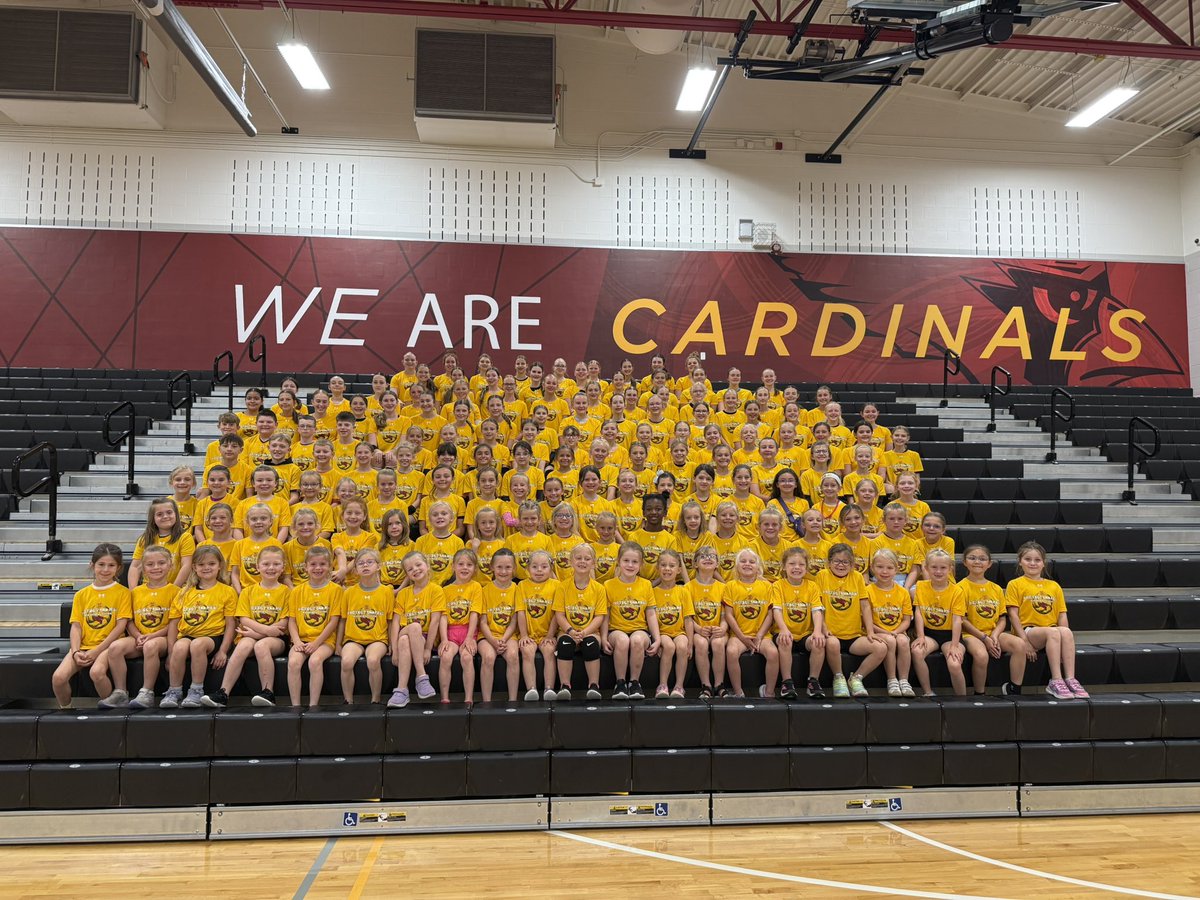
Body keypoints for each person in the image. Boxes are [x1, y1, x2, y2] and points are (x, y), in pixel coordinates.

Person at [201, 545, 290, 707]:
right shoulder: (248, 592)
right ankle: (223, 693)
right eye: (266, 564)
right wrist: (265, 630)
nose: (271, 568)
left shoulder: (287, 592)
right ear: (257, 567)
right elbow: (244, 619)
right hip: (251, 634)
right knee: (243, 645)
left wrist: (258, 634)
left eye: (276, 564)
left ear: (283, 567)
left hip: (276, 640)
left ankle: (268, 692)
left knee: (261, 646)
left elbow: (282, 626)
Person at [1005, 541, 1089, 699]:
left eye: (1037, 560)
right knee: (1053, 632)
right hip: (1028, 631)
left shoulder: (1054, 586)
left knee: (1066, 631)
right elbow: (1013, 615)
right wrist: (1024, 641)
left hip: (1051, 632)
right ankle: (1055, 681)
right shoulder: (1015, 584)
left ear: (1043, 563)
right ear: (1020, 562)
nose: (1032, 563)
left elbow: (1062, 615)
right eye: (1028, 559)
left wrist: (1065, 640)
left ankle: (1070, 679)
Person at [53, 543, 132, 709]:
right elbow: (76, 626)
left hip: (106, 646)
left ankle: (112, 708)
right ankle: (66, 712)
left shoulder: (123, 592)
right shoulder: (81, 595)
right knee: (58, 678)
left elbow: (120, 627)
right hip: (82, 647)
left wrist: (97, 650)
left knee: (96, 672)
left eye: (111, 565)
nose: (105, 570)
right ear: (92, 565)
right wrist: (75, 652)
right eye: (101, 565)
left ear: (118, 568)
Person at [160, 546, 238, 709]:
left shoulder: (227, 591)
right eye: (201, 564)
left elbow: (231, 624)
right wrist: (170, 652)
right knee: (179, 647)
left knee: (198, 645)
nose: (206, 568)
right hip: (187, 634)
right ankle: (174, 690)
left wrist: (223, 650)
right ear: (194, 567)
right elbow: (174, 624)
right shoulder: (184, 592)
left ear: (219, 566)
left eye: (211, 563)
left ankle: (196, 689)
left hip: (212, 636)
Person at [106, 545, 176, 709]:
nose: (156, 567)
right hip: (139, 637)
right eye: (150, 564)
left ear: (170, 565)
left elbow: (174, 624)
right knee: (115, 647)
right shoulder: (135, 592)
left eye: (161, 563)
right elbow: (129, 621)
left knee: (150, 646)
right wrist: (137, 635)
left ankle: (147, 692)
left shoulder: (176, 591)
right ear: (143, 568)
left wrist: (151, 637)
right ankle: (120, 692)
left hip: (163, 638)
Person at [816, 543, 886, 698]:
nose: (841, 565)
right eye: (836, 561)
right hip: (832, 634)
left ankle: (856, 678)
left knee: (880, 648)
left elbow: (865, 606)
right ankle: (839, 677)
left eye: (845, 562)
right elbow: (817, 606)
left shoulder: (857, 577)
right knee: (833, 643)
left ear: (852, 564)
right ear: (829, 563)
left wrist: (870, 632)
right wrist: (823, 627)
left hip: (853, 635)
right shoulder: (822, 575)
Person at [959, 544, 1026, 696]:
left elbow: (1002, 618)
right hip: (969, 634)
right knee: (981, 655)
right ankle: (979, 694)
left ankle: (1014, 689)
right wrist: (984, 638)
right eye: (972, 558)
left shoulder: (996, 588)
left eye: (982, 559)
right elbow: (962, 620)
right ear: (964, 562)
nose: (977, 561)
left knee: (1020, 644)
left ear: (989, 564)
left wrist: (994, 636)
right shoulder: (960, 588)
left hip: (992, 632)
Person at [286, 545, 343, 708]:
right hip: (301, 639)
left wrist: (316, 643)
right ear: (305, 567)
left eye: (322, 564)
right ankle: (295, 706)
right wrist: (296, 642)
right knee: (293, 663)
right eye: (313, 564)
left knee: (315, 661)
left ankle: (313, 706)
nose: (318, 568)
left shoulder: (335, 590)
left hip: (324, 641)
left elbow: (333, 621)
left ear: (331, 566)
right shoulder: (297, 591)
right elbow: (292, 621)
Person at [603, 542, 660, 700]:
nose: (630, 565)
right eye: (626, 561)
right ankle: (620, 683)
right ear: (618, 561)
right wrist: (603, 637)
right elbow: (605, 615)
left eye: (635, 562)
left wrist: (657, 638)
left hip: (640, 629)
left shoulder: (646, 584)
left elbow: (650, 613)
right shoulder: (608, 585)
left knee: (636, 640)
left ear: (641, 564)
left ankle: (635, 683)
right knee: (622, 640)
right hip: (616, 630)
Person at [770, 547, 827, 700]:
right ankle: (787, 682)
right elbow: (776, 610)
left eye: (801, 564)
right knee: (785, 641)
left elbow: (817, 611)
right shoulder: (778, 585)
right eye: (792, 564)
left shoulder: (812, 586)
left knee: (818, 642)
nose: (797, 567)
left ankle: (813, 682)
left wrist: (817, 631)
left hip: (804, 634)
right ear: (784, 566)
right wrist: (783, 629)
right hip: (784, 632)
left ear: (807, 567)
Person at [387, 551, 442, 708]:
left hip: (423, 637)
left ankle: (401, 690)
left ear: (427, 565)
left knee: (407, 638)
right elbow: (396, 623)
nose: (415, 570)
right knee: (411, 630)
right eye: (410, 569)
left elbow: (435, 621)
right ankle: (422, 677)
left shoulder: (436, 590)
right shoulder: (403, 594)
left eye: (418, 565)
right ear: (407, 574)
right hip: (406, 630)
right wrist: (395, 650)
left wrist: (428, 649)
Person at [337, 549, 393, 704]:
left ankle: (375, 700)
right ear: (355, 570)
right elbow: (342, 619)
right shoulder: (349, 592)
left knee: (373, 660)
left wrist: (391, 643)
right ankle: (348, 700)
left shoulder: (386, 591)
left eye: (370, 562)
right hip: (353, 639)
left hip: (377, 639)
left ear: (378, 566)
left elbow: (390, 621)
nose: (365, 565)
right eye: (360, 563)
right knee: (346, 661)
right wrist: (338, 644)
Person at [552, 542, 606, 701]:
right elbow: (559, 615)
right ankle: (565, 686)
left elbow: (599, 617)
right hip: (567, 631)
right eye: (578, 558)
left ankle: (594, 685)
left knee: (591, 645)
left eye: (587, 559)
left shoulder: (599, 588)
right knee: (564, 645)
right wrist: (570, 631)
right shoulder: (562, 587)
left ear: (594, 563)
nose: (582, 561)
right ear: (570, 561)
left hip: (590, 631)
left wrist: (584, 632)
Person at [911, 548, 968, 697]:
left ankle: (962, 699)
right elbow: (918, 613)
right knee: (917, 652)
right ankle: (928, 692)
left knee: (954, 664)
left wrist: (955, 645)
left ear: (950, 569)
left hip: (950, 635)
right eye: (934, 567)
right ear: (927, 568)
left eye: (943, 568)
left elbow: (957, 620)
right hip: (929, 634)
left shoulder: (957, 591)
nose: (938, 571)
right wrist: (921, 636)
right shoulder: (921, 587)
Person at [723, 549, 778, 699]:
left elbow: (770, 613)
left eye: (752, 562)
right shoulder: (730, 586)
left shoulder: (767, 586)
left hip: (762, 635)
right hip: (739, 635)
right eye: (743, 561)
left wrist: (759, 636)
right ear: (736, 565)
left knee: (773, 653)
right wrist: (742, 637)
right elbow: (729, 615)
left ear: (758, 567)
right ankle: (738, 692)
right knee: (731, 651)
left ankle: (769, 692)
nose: (747, 564)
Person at [864, 549, 915, 698]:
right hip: (877, 630)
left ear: (897, 569)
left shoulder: (903, 592)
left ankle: (904, 680)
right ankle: (892, 679)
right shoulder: (868, 590)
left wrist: (897, 631)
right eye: (880, 567)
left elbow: (906, 620)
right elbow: (865, 621)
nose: (884, 571)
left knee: (904, 642)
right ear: (872, 568)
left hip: (897, 630)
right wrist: (886, 633)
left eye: (889, 568)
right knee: (891, 642)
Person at [478, 549, 521, 702]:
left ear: (514, 568)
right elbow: (482, 622)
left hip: (508, 635)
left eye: (508, 567)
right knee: (488, 657)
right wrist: (494, 641)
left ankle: (513, 700)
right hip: (487, 636)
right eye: (499, 567)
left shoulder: (518, 589)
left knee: (513, 656)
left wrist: (503, 639)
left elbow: (514, 621)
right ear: (492, 567)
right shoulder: (484, 590)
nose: (503, 571)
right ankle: (486, 701)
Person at [438, 549, 481, 704]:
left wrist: (470, 638)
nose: (465, 567)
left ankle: (468, 698)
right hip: (450, 632)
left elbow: (474, 613)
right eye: (461, 564)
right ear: (453, 566)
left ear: (475, 569)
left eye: (469, 565)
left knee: (467, 657)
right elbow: (443, 617)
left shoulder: (476, 587)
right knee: (446, 656)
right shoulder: (445, 590)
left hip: (468, 630)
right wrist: (443, 639)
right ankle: (444, 697)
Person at [518, 550, 562, 701]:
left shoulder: (557, 585)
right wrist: (524, 635)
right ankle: (531, 689)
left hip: (547, 633)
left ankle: (549, 688)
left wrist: (550, 635)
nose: (539, 570)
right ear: (528, 569)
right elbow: (521, 612)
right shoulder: (522, 586)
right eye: (535, 567)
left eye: (544, 567)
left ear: (551, 569)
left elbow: (557, 613)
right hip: (529, 633)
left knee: (549, 650)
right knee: (527, 651)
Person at [651, 550, 692, 699]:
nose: (667, 568)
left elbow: (688, 619)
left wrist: (690, 644)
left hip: (679, 632)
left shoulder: (683, 591)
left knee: (681, 646)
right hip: (662, 632)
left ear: (679, 570)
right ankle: (662, 685)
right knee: (668, 646)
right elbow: (651, 619)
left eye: (672, 565)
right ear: (657, 568)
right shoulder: (652, 592)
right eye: (663, 565)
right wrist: (655, 640)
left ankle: (679, 686)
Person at [687, 546, 727, 698]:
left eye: (712, 556)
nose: (707, 558)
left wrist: (722, 628)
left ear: (717, 564)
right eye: (703, 556)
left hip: (718, 629)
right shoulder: (688, 587)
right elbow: (688, 616)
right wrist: (697, 629)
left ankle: (719, 684)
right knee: (702, 644)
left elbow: (726, 615)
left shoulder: (723, 588)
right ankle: (706, 685)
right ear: (695, 563)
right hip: (697, 630)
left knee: (717, 643)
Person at [128, 498, 195, 589]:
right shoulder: (145, 539)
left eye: (169, 512)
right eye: (159, 514)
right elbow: (135, 567)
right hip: (148, 590)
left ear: (176, 514)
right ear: (153, 518)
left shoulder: (185, 537)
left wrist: (172, 590)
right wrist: (133, 591)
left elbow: (186, 565)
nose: (165, 516)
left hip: (176, 590)